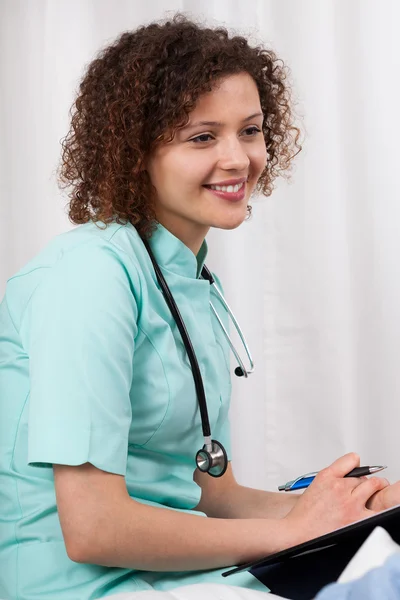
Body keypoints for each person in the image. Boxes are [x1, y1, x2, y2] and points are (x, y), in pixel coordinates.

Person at [1, 12, 400, 600]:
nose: (238, 159)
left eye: (251, 130)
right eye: (202, 136)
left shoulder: (186, 276)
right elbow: (92, 529)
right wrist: (294, 529)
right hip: (78, 586)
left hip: (180, 576)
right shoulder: (88, 276)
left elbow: (209, 494)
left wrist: (348, 509)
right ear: (135, 151)